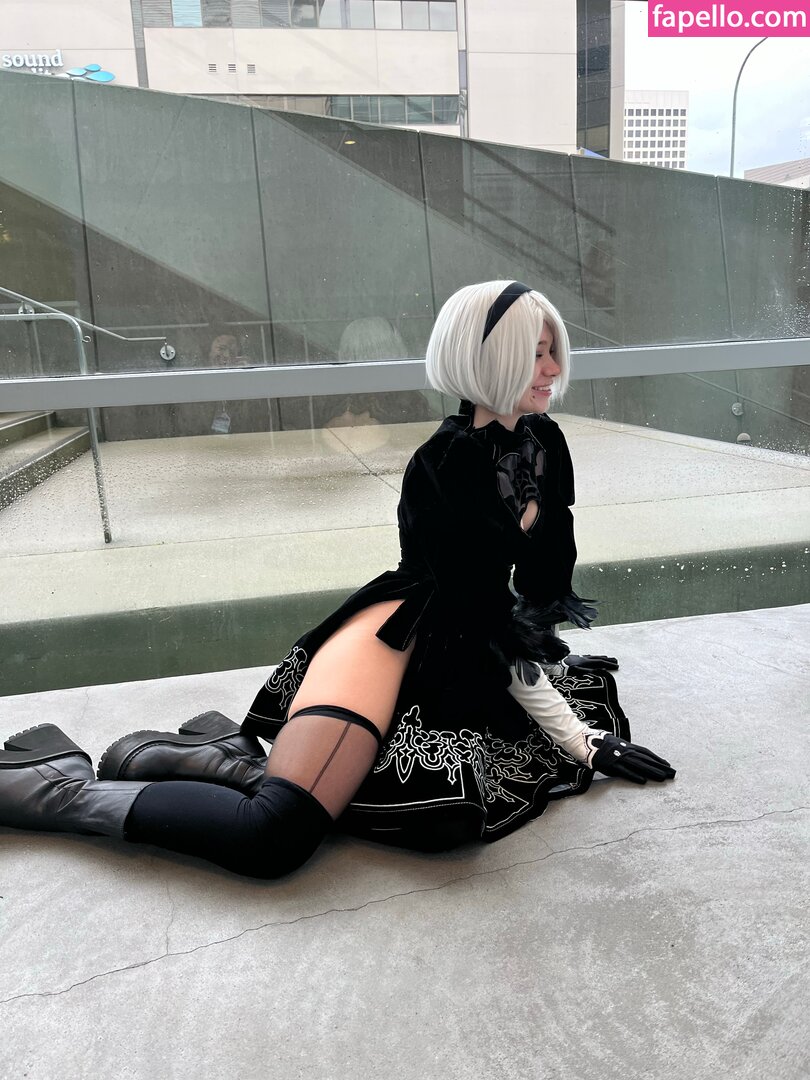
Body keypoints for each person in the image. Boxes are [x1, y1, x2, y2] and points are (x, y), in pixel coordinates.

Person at [0, 281, 675, 879]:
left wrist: (546, 649)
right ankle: (59, 787)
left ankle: (222, 759)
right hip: (399, 633)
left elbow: (532, 589)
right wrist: (580, 739)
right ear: (486, 357)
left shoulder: (544, 442)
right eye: (535, 353)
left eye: (554, 351)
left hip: (469, 646)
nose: (553, 369)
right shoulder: (446, 463)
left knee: (441, 817)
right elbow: (483, 613)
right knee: (275, 835)